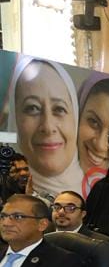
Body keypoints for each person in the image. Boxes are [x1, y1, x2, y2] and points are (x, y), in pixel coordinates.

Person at [7, 57, 82, 198]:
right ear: (15, 119)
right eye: (32, 108)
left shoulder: (99, 193)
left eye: (59, 109)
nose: (48, 127)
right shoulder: (6, 196)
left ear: (75, 118)